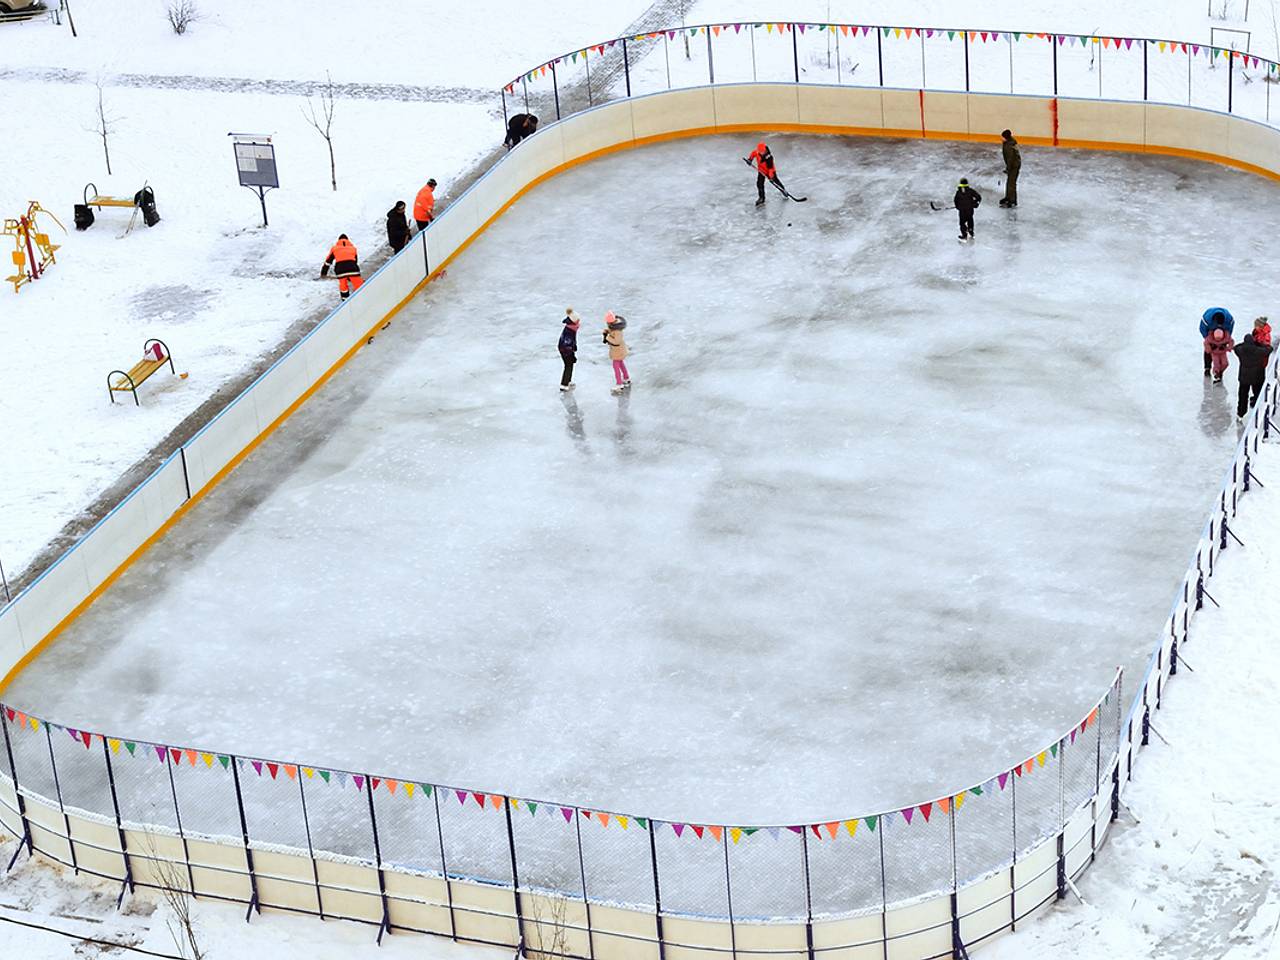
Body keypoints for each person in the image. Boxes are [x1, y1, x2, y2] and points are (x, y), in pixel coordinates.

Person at [1234, 333, 1273, 419]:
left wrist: (1243, 344)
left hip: (1244, 378)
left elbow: (1235, 347)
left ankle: (1241, 413)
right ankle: (1259, 411)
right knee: (1258, 395)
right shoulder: (1259, 351)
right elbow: (1270, 349)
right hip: (1257, 377)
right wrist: (1259, 344)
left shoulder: (1241, 350)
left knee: (1243, 396)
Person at [320, 234, 362, 300]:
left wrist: (323, 274)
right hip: (353, 269)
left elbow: (328, 262)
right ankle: (362, 298)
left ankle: (345, 301)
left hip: (340, 270)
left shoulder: (334, 248)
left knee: (343, 286)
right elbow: (355, 261)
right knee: (359, 286)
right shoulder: (353, 248)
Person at [746, 141, 785, 207]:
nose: (761, 153)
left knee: (776, 182)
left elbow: (770, 169)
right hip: (761, 171)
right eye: (760, 152)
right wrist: (750, 159)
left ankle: (783, 190)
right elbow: (753, 154)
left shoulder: (769, 157)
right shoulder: (757, 152)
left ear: (765, 150)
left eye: (762, 152)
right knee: (759, 184)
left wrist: (771, 177)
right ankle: (762, 198)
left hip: (770, 172)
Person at [1200, 308, 1235, 375]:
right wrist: (1210, 341)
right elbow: (1202, 329)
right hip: (1210, 334)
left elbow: (1230, 330)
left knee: (1223, 360)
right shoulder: (1206, 319)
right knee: (1207, 352)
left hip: (1222, 335)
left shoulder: (1229, 320)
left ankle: (1220, 371)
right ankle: (1207, 368)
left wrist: (1225, 340)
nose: (1219, 326)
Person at [603, 311, 630, 394]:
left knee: (616, 366)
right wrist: (607, 331)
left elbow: (616, 341)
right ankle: (626, 378)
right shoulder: (614, 327)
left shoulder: (618, 331)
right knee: (621, 363)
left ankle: (619, 384)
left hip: (618, 351)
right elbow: (612, 332)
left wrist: (608, 337)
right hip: (618, 351)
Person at [558, 308, 580, 391]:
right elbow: (567, 344)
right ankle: (564, 385)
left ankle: (568, 381)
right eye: (577, 320)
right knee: (568, 366)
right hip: (565, 351)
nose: (579, 322)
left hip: (567, 350)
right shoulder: (570, 330)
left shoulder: (572, 328)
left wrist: (574, 348)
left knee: (570, 365)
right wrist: (571, 353)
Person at [999, 130, 1021, 208]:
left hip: (1014, 166)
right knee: (1009, 183)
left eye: (1002, 137)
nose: (1001, 138)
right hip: (1013, 165)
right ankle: (1008, 197)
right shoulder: (1010, 142)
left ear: (1006, 138)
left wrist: (1008, 168)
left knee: (1011, 184)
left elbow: (1010, 159)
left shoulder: (1009, 146)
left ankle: (1012, 201)